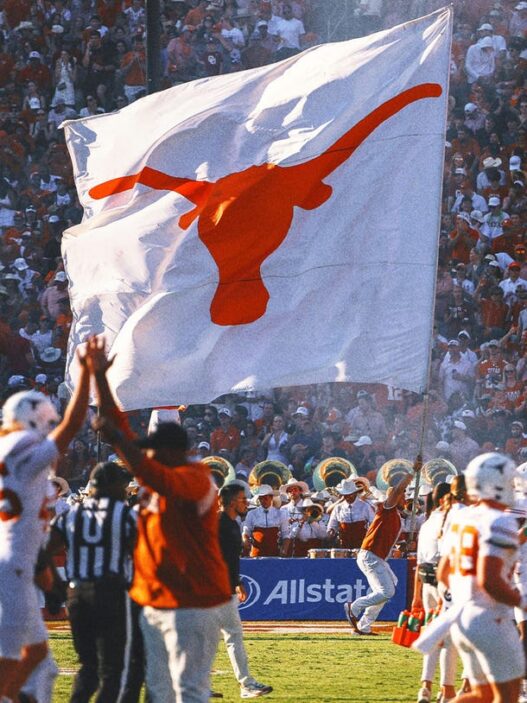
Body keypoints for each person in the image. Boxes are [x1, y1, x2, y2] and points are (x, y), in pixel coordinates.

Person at [89, 338, 232, 703]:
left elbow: (134, 453)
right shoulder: (166, 478)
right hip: (159, 599)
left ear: (170, 452)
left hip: (193, 601)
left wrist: (119, 438)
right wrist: (100, 378)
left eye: (154, 453)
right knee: (159, 690)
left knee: (187, 691)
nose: (147, 459)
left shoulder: (196, 479)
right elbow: (116, 423)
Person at [0, 343, 91, 703]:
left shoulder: (8, 445)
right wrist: (87, 376)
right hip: (13, 567)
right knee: (8, 663)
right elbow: (70, 427)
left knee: (40, 659)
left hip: (18, 560)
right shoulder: (21, 446)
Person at [437, 453, 525, 703]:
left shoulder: (462, 518)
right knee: (505, 696)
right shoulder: (500, 520)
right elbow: (490, 581)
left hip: (466, 616)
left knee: (482, 694)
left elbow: (444, 571)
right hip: (490, 619)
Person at [47, 461, 137, 703]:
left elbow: (42, 554)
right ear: (110, 486)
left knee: (89, 667)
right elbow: (141, 556)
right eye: (122, 485)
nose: (124, 490)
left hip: (77, 595)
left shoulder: (70, 515)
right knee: (113, 669)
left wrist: (57, 589)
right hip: (112, 593)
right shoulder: (126, 515)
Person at [344, 456, 421, 635]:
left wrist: (405, 545)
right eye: (403, 494)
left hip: (377, 557)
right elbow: (398, 489)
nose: (405, 497)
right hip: (370, 556)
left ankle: (363, 625)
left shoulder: (397, 518)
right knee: (387, 592)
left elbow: (396, 544)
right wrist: (412, 471)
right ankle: (354, 607)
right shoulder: (387, 509)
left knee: (388, 586)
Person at [217, 483, 273, 698]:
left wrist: (237, 579)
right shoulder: (218, 523)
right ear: (231, 501)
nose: (246, 502)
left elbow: (229, 559)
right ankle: (246, 684)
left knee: (218, 638)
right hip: (215, 589)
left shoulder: (233, 523)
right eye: (242, 499)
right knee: (230, 637)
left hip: (224, 588)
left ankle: (194, 685)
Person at [411, 482, 457, 703]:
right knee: (450, 640)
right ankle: (447, 690)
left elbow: (419, 563)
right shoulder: (451, 520)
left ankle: (425, 686)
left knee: (433, 637)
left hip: (426, 581)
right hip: (446, 582)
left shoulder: (427, 522)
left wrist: (416, 597)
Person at [326, 478, 375, 548]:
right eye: (345, 495)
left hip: (362, 544)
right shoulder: (338, 508)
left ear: (355, 493)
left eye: (350, 494)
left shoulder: (365, 506)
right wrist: (331, 531)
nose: (348, 497)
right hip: (344, 544)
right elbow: (332, 525)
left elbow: (373, 523)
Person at [242, 484, 289, 557]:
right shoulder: (252, 514)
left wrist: (284, 550)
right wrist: (245, 539)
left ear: (271, 498)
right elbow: (246, 531)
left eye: (265, 498)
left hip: (275, 554)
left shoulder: (280, 514)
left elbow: (286, 534)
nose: (263, 501)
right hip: (256, 554)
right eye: (261, 499)